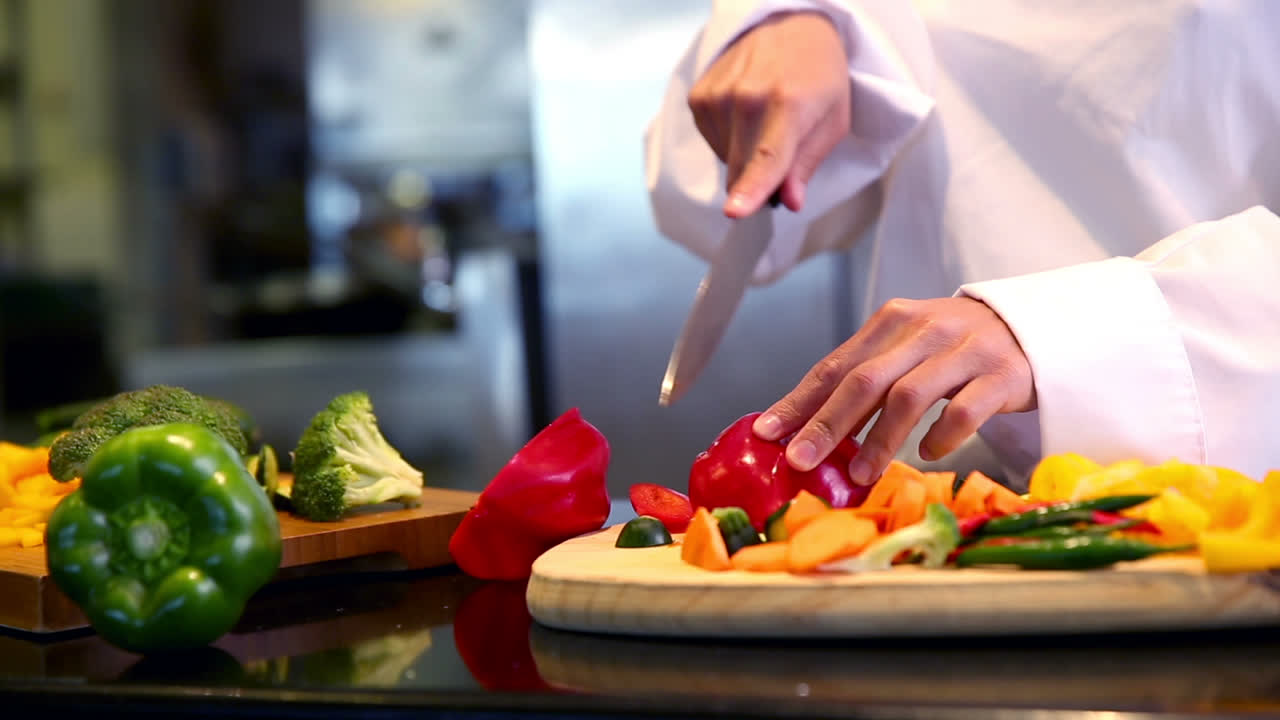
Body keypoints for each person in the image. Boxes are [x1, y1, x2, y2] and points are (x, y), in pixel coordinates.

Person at [644, 1, 1280, 490]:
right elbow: (708, 205)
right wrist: (792, 21)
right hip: (932, 489)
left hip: (1229, 489)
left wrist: (1063, 334)